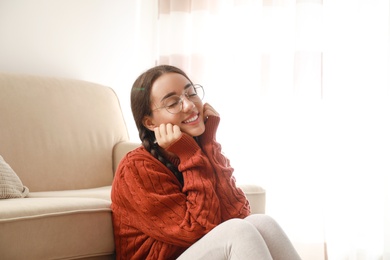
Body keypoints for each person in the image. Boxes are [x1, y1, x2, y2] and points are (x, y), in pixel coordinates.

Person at [111, 65, 301, 260]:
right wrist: (190, 155)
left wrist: (209, 145)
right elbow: (199, 231)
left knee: (262, 223)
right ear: (150, 123)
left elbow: (239, 214)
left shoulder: (199, 150)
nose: (189, 105)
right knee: (238, 231)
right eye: (173, 103)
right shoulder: (135, 168)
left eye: (191, 93)